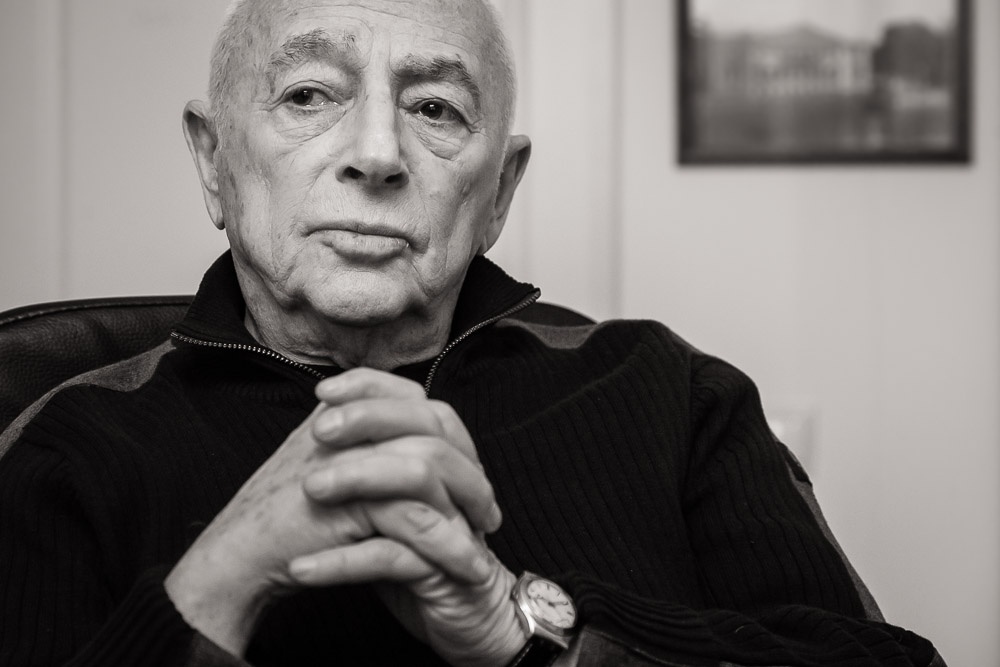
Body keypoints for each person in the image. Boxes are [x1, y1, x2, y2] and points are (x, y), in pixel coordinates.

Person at [0, 0, 945, 665]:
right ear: (214, 161)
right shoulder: (68, 441)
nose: (377, 154)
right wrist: (217, 581)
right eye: (309, 95)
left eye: (435, 109)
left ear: (498, 191)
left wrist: (523, 626)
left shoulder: (673, 392)